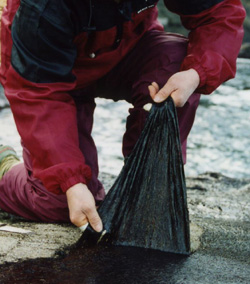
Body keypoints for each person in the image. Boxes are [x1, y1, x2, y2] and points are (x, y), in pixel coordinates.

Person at [0, 0, 245, 232]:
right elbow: (39, 94)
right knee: (61, 203)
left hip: (125, 49)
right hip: (51, 76)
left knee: (175, 60)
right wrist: (71, 181)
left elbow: (220, 12)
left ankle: (144, 182)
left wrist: (196, 73)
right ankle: (5, 165)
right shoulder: (41, 7)